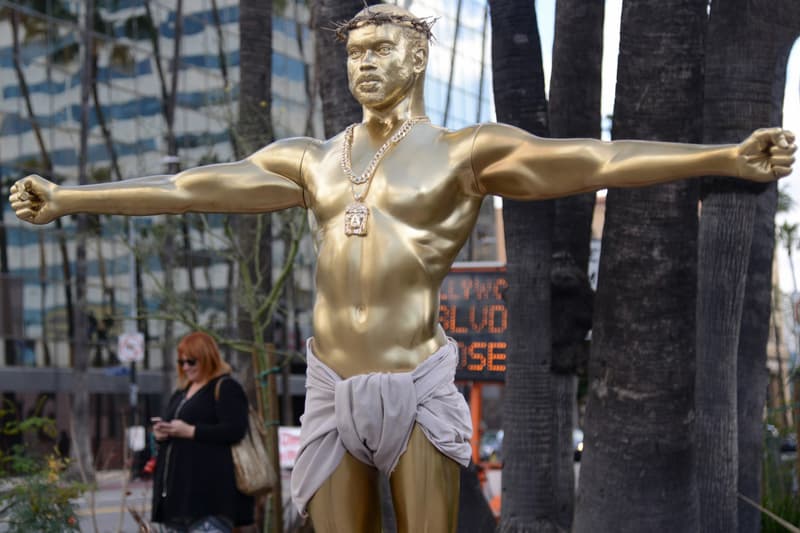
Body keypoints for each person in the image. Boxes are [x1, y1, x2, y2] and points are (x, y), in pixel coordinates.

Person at [7, 4, 797, 532]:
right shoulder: (314, 160)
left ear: (419, 56)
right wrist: (72, 196)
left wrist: (722, 154)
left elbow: (589, 157)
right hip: (330, 388)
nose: (364, 66)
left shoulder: (463, 154)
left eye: (381, 50)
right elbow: (189, 186)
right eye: (354, 54)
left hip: (414, 387)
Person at [150, 331, 253, 533]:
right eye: (181, 362)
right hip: (177, 499)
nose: (186, 367)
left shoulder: (225, 387)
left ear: (207, 359)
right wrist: (162, 434)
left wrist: (191, 431)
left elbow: (235, 429)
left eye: (191, 361)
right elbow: (175, 430)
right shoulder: (181, 392)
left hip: (209, 498)